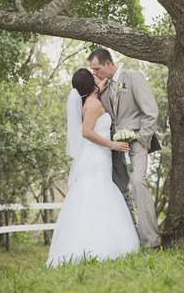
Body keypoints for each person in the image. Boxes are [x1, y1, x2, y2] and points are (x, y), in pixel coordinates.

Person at [46, 68, 140, 268]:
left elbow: (95, 95)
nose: (98, 76)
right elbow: (87, 132)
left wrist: (101, 85)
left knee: (95, 194)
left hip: (96, 156)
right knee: (97, 193)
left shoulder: (88, 100)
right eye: (94, 76)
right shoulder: (94, 104)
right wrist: (113, 145)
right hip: (97, 156)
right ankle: (97, 246)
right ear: (90, 84)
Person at [88, 48, 161, 250]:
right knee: (120, 190)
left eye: (97, 69)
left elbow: (150, 111)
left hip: (136, 143)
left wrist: (141, 138)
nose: (94, 73)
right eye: (92, 70)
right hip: (114, 147)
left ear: (108, 64)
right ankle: (133, 239)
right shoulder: (102, 88)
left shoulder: (133, 77)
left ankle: (151, 242)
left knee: (138, 182)